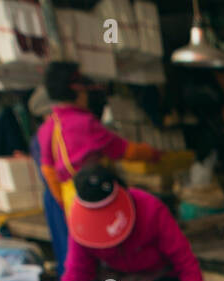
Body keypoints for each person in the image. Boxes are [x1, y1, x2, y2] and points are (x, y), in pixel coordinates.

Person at [62, 166, 209, 281]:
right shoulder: (81, 226)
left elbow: (183, 258)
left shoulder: (150, 208)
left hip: (154, 273)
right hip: (112, 277)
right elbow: (77, 272)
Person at [36, 61, 160, 219]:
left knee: (87, 241)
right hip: (98, 194)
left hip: (71, 202)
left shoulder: (47, 127)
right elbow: (125, 151)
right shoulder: (85, 123)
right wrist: (155, 155)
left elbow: (48, 170)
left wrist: (63, 201)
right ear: (78, 89)